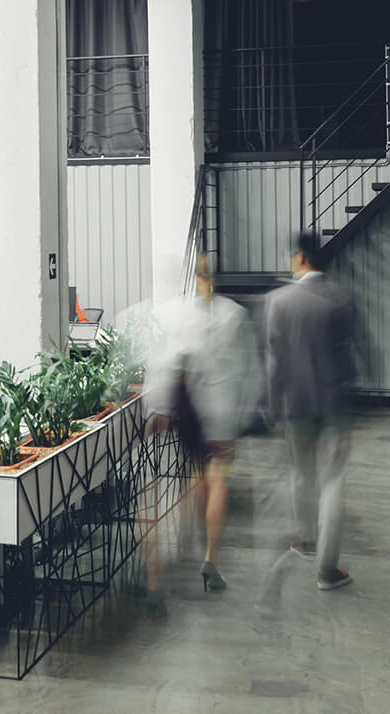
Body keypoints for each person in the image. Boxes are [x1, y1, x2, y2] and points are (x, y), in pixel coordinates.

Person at [145, 255, 258, 599]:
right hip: (222, 411)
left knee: (197, 473)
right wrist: (246, 411)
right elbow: (249, 369)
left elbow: (164, 362)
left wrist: (159, 409)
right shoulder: (234, 315)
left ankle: (180, 538)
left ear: (193, 278)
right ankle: (211, 556)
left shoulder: (175, 314)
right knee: (218, 477)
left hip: (191, 411)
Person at [262, 233, 359, 592]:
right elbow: (351, 352)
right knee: (333, 483)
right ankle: (327, 570)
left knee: (301, 475)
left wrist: (273, 407)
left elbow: (275, 364)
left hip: (296, 405)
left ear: (301, 258)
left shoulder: (279, 301)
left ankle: (305, 540)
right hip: (335, 405)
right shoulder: (341, 297)